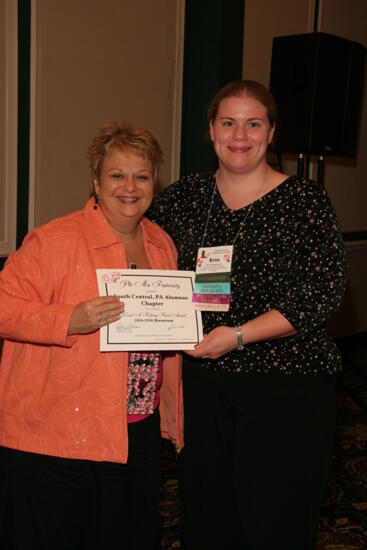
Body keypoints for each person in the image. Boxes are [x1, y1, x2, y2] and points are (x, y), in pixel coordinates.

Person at [147, 80, 347, 549]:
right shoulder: (183, 197)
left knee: (274, 523)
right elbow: (151, 270)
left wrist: (236, 335)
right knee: (208, 518)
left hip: (287, 387)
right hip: (204, 388)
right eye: (229, 122)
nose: (241, 134)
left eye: (253, 123)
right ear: (211, 131)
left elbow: (322, 292)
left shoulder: (306, 202)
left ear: (271, 133)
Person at [0, 121, 183, 550]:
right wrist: (68, 319)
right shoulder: (54, 241)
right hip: (61, 433)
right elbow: (4, 307)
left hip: (136, 429)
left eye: (141, 176)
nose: (130, 187)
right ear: (96, 182)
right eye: (117, 175)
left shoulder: (161, 244)